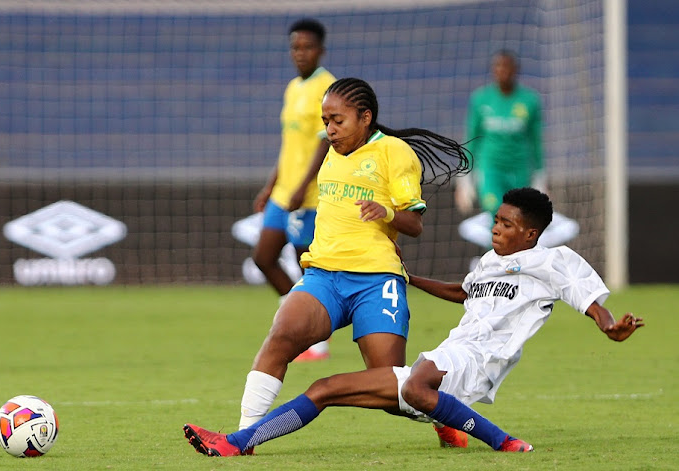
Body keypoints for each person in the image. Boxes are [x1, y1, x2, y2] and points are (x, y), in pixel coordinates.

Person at [185, 187, 644, 456]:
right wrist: (407, 277)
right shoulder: (488, 263)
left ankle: (236, 443)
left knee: (391, 387)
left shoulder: (552, 260)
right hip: (452, 352)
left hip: (478, 359)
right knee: (327, 390)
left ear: (530, 233)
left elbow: (586, 295)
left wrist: (607, 324)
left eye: (505, 225)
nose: (495, 230)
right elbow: (461, 293)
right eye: (495, 222)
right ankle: (455, 425)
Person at [236, 77, 470, 437]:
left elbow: (415, 224)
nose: (329, 129)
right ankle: (243, 437)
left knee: (392, 390)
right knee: (280, 336)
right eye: (325, 120)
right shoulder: (331, 154)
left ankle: (441, 413)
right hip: (324, 275)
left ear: (365, 117)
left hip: (376, 281)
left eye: (337, 120)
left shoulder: (394, 152)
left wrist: (386, 212)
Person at [251, 18, 336, 362]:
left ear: (321, 50)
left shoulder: (327, 87)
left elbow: (324, 142)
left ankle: (316, 339)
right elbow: (291, 144)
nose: (300, 54)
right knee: (264, 258)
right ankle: (296, 324)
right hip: (283, 192)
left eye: (307, 47)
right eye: (295, 47)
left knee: (308, 267)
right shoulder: (292, 87)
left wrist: (303, 186)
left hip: (309, 195)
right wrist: (271, 185)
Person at [455, 50, 544, 218]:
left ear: (516, 70)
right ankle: (496, 245)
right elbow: (471, 138)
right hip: (490, 168)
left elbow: (536, 141)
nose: (503, 71)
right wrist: (464, 178)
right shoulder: (481, 99)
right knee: (496, 211)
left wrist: (540, 175)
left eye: (507, 66)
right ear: (493, 70)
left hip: (520, 168)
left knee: (518, 215)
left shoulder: (530, 100)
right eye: (498, 66)